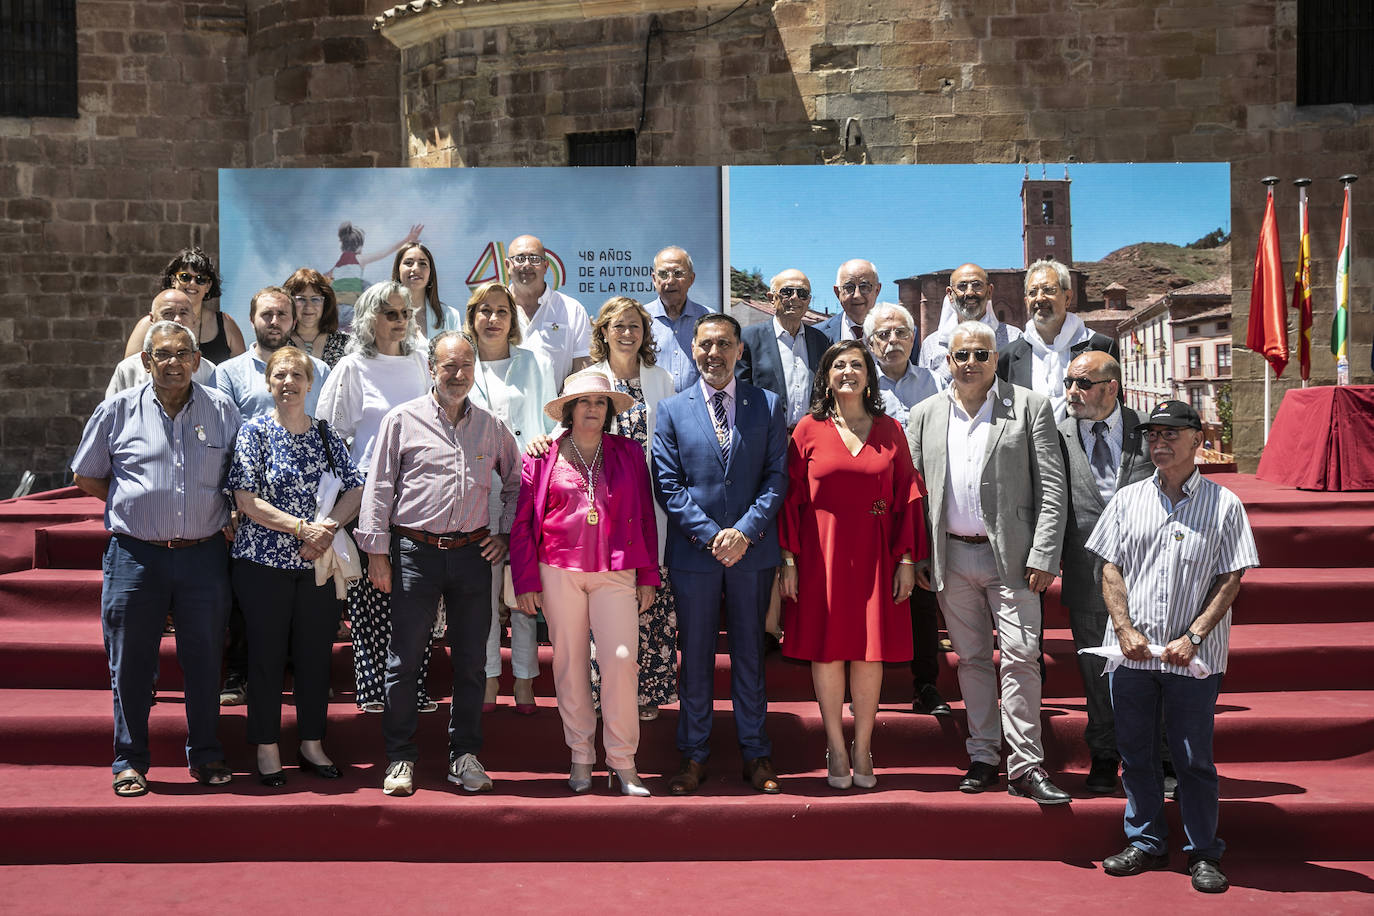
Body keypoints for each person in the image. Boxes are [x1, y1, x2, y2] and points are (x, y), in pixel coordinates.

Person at [1090, 400, 1258, 894]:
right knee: (1135, 752)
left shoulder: (1224, 505)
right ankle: (1144, 841)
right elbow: (1110, 568)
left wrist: (1195, 636)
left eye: (1170, 433)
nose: (1158, 442)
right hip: (1132, 654)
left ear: (1196, 439)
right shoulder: (1126, 499)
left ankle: (1204, 851)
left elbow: (1231, 579)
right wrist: (1122, 628)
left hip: (1194, 659)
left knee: (1192, 758)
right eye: (1151, 434)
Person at [72, 320, 241, 796]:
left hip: (203, 555)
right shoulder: (117, 410)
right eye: (162, 355)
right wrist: (133, 501)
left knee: (205, 659)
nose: (173, 363)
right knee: (130, 661)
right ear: (146, 362)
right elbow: (87, 475)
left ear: (197, 360)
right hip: (135, 555)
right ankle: (129, 759)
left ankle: (206, 754)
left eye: (183, 354)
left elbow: (240, 476)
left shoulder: (223, 410)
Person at [906, 320, 1071, 804]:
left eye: (981, 353)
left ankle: (1026, 764)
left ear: (995, 357)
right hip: (951, 556)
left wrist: (1044, 553)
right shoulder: (925, 414)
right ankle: (983, 754)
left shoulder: (1029, 406)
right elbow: (914, 493)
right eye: (962, 355)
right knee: (973, 660)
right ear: (948, 360)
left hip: (1015, 561)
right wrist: (917, 554)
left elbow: (1052, 487)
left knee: (1020, 659)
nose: (971, 362)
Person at [357, 331, 520, 797]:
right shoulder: (401, 420)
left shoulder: (491, 426)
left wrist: (503, 534)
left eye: (466, 366)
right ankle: (401, 758)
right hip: (414, 553)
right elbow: (379, 488)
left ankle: (464, 756)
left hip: (471, 556)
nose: (458, 375)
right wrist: (376, 554)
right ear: (432, 368)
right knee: (404, 660)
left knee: (472, 663)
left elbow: (515, 482)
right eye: (449, 366)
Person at [778, 341, 926, 790]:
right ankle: (835, 747)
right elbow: (789, 499)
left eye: (856, 365)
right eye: (838, 365)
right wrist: (787, 559)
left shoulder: (890, 429)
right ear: (826, 376)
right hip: (819, 554)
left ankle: (862, 746)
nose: (847, 372)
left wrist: (905, 558)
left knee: (869, 652)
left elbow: (908, 494)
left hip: (877, 555)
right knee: (827, 649)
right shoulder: (807, 429)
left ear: (868, 375)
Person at [653, 313, 788, 795]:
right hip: (695, 556)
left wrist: (745, 533)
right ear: (693, 349)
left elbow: (776, 478)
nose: (714, 354)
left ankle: (757, 753)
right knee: (697, 659)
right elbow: (668, 486)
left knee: (751, 656)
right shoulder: (670, 410)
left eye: (724, 344)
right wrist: (714, 536)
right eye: (706, 345)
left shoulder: (769, 405)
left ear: (739, 350)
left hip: (752, 554)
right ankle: (693, 754)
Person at [509, 371, 660, 796]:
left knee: (621, 660)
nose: (592, 408)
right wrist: (524, 581)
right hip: (558, 571)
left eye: (600, 401)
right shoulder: (543, 454)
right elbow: (522, 524)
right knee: (569, 664)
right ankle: (580, 756)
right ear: (569, 410)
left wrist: (648, 574)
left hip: (617, 571)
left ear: (609, 409)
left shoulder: (629, 452)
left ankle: (623, 762)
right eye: (584, 401)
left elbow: (646, 515)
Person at [226, 346, 365, 786]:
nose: (288, 382)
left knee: (314, 659)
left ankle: (311, 743)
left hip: (316, 567)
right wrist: (303, 529)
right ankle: (267, 748)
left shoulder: (325, 435)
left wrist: (326, 527)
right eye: (280, 375)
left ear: (310, 384)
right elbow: (246, 500)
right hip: (262, 566)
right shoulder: (254, 433)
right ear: (268, 383)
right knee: (266, 658)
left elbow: (356, 489)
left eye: (297, 375)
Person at [315, 281, 436, 714]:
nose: (400, 321)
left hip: (421, 492)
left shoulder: (423, 363)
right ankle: (372, 687)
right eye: (390, 313)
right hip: (368, 493)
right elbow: (330, 435)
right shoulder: (351, 367)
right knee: (372, 591)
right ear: (370, 318)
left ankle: (412, 687)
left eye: (405, 314)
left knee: (416, 594)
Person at [1057, 351, 1153, 793]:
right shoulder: (1056, 435)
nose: (1071, 392)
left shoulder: (1150, 433)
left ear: (1111, 387)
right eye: (1068, 383)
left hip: (1148, 578)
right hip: (1085, 574)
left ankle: (1161, 757)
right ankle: (1104, 755)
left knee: (1153, 670)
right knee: (1097, 676)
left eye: (1081, 383)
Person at [463, 280, 558, 714]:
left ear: (512, 318)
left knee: (522, 591)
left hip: (523, 488)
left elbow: (551, 419)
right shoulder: (462, 364)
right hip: (476, 491)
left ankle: (523, 679)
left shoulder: (532, 361)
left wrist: (541, 441)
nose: (494, 318)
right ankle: (487, 677)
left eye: (502, 311)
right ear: (473, 317)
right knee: (481, 592)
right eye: (485, 311)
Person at [585, 296, 678, 720]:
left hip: (652, 506)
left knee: (651, 592)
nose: (627, 332)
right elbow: (568, 435)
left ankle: (647, 691)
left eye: (635, 326)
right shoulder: (587, 379)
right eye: (618, 325)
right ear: (603, 332)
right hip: (601, 510)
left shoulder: (662, 379)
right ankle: (604, 690)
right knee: (606, 597)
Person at [862, 302, 947, 718]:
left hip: (925, 504)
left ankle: (926, 684)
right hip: (870, 508)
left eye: (900, 333)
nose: (892, 341)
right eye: (882, 334)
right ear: (869, 341)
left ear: (914, 339)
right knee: (866, 592)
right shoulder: (857, 384)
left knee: (922, 595)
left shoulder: (937, 383)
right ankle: (860, 682)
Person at [997, 258, 1119, 421]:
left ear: (1068, 297)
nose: (1039, 298)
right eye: (1032, 292)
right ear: (1026, 302)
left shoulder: (1100, 347)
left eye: (1048, 290)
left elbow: (1116, 411)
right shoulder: (1008, 356)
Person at [215, 286, 330, 420]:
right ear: (252, 320)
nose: (274, 322)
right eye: (267, 314)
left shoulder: (320, 371)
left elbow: (331, 426)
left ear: (294, 322)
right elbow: (221, 429)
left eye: (282, 314)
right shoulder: (227, 373)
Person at [738, 269, 828, 430]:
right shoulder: (748, 339)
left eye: (802, 293)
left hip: (812, 439)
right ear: (771, 298)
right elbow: (741, 395)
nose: (795, 297)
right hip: (766, 440)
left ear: (808, 300)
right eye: (787, 292)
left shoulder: (821, 341)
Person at [124, 248, 246, 364]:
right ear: (173, 281)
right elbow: (129, 372)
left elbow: (241, 373)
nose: (192, 283)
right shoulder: (147, 324)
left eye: (200, 279)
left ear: (208, 286)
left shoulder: (226, 324)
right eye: (185, 277)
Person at [505, 234, 591, 386]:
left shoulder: (572, 310)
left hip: (555, 407)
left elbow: (582, 372)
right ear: (507, 266)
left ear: (545, 267)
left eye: (534, 259)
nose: (527, 265)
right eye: (519, 259)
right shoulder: (492, 312)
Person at [917, 262, 1022, 386]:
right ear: (950, 294)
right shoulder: (932, 345)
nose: (970, 293)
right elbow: (925, 392)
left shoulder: (1014, 338)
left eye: (977, 285)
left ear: (989, 291)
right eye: (962, 286)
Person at [106, 290, 216, 398]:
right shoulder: (128, 370)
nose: (177, 320)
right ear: (152, 319)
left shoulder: (208, 371)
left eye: (183, 313)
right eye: (168, 313)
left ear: (194, 320)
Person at [643, 246, 711, 392]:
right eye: (663, 274)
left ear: (691, 279)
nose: (670, 280)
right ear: (654, 279)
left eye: (678, 273)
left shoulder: (710, 320)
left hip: (696, 410)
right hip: (652, 410)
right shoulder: (639, 320)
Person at [392, 242, 464, 340]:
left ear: (430, 274)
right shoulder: (382, 314)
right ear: (398, 270)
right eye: (408, 263)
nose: (416, 268)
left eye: (422, 264)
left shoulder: (450, 315)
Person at [284, 268, 350, 367]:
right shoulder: (279, 343)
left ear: (326, 303)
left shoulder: (346, 343)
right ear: (289, 302)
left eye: (315, 299)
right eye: (301, 299)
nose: (309, 306)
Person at [817, 259, 881, 344]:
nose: (857, 295)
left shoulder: (896, 334)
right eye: (849, 287)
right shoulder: (818, 336)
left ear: (877, 290)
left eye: (864, 287)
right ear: (837, 292)